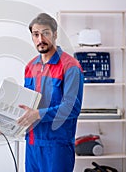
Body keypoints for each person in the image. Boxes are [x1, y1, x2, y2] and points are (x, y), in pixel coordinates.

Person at [17, 13, 84, 172]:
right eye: (36, 34)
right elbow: (26, 105)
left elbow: (72, 107)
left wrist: (38, 114)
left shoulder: (70, 66)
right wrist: (7, 124)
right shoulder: (30, 67)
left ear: (54, 34)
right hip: (32, 144)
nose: (40, 39)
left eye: (45, 33)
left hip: (57, 147)